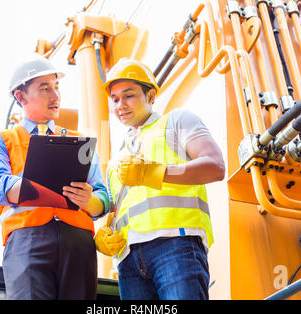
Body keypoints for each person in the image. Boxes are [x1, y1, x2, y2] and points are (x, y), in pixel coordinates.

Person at [94, 58, 225, 300]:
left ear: (151, 95)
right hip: (128, 261)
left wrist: (156, 173)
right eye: (115, 99)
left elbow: (216, 166)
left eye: (128, 95)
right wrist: (106, 231)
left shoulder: (176, 121)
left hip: (175, 246)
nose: (120, 105)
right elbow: (121, 206)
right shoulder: (117, 158)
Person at [0, 54, 109, 300]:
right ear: (20, 97)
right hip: (27, 241)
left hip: (78, 242)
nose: (55, 96)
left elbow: (103, 198)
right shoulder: (2, 141)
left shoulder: (80, 140)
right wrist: (37, 175)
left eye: (56, 87)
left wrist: (89, 199)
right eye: (44, 89)